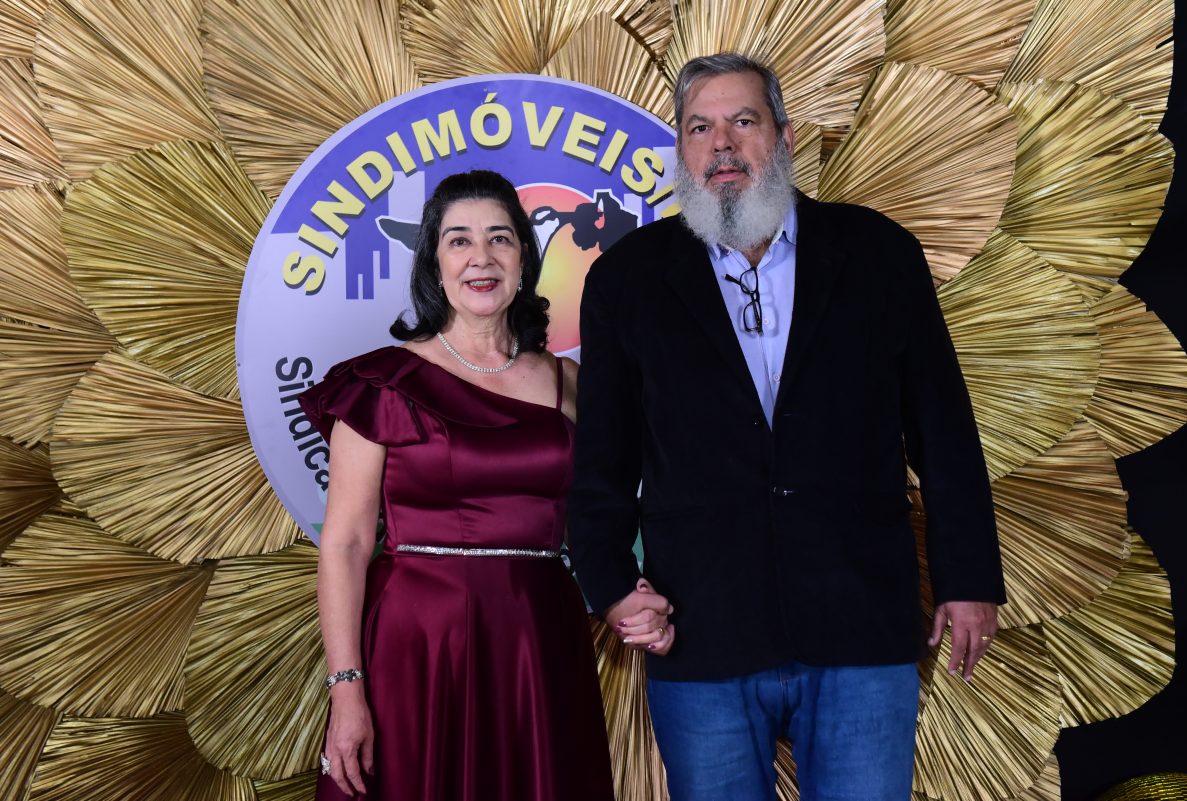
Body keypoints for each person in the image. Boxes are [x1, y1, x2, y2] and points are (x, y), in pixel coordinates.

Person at [568, 53, 1006, 801]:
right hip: (701, 626)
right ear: (681, 150)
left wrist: (967, 580)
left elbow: (944, 432)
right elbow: (602, 461)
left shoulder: (878, 253)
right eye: (700, 128)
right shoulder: (627, 278)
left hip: (859, 620)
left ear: (785, 135)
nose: (722, 144)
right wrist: (611, 588)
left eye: (743, 121)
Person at [299, 170, 614, 801]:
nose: (481, 257)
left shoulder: (571, 383)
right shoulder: (379, 382)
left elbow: (602, 517)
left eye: (500, 238)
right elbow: (347, 544)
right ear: (434, 263)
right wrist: (347, 688)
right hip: (418, 644)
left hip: (538, 640)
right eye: (459, 240)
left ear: (524, 259)